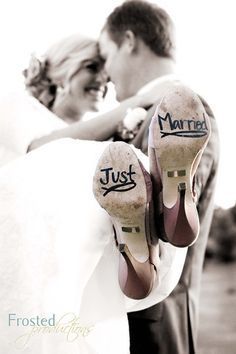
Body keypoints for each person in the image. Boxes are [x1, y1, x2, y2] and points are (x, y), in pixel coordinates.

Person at [0, 31, 187, 353]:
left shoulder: (104, 134)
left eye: (105, 69)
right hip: (30, 246)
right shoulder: (18, 107)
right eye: (91, 66)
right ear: (60, 69)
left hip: (86, 264)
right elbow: (39, 150)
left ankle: (148, 242)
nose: (103, 78)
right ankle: (169, 202)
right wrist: (137, 101)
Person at [98, 1, 219, 353]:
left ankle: (170, 208)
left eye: (106, 57)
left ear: (130, 42)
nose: (106, 74)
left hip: (157, 325)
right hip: (123, 322)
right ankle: (171, 205)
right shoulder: (169, 114)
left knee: (165, 214)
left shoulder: (184, 112)